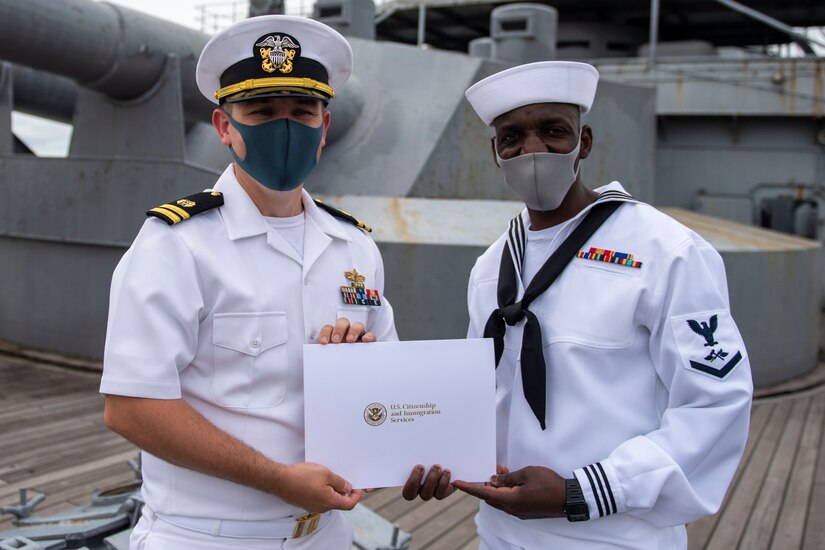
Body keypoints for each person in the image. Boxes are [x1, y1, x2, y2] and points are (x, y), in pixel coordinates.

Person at [404, 61, 753, 549]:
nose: (532, 150)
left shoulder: (665, 251)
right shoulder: (491, 266)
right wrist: (431, 455)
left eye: (553, 131)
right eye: (512, 137)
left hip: (615, 536)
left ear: (584, 142)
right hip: (502, 534)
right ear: (495, 152)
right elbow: (479, 396)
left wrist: (582, 492)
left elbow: (716, 402)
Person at [100, 15, 396, 549]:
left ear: (324, 128)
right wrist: (278, 480)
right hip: (208, 537)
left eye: (303, 112)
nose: (285, 128)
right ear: (224, 127)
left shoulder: (356, 248)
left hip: (327, 533)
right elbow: (131, 407)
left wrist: (361, 373)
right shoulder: (177, 244)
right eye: (260, 111)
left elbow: (388, 383)